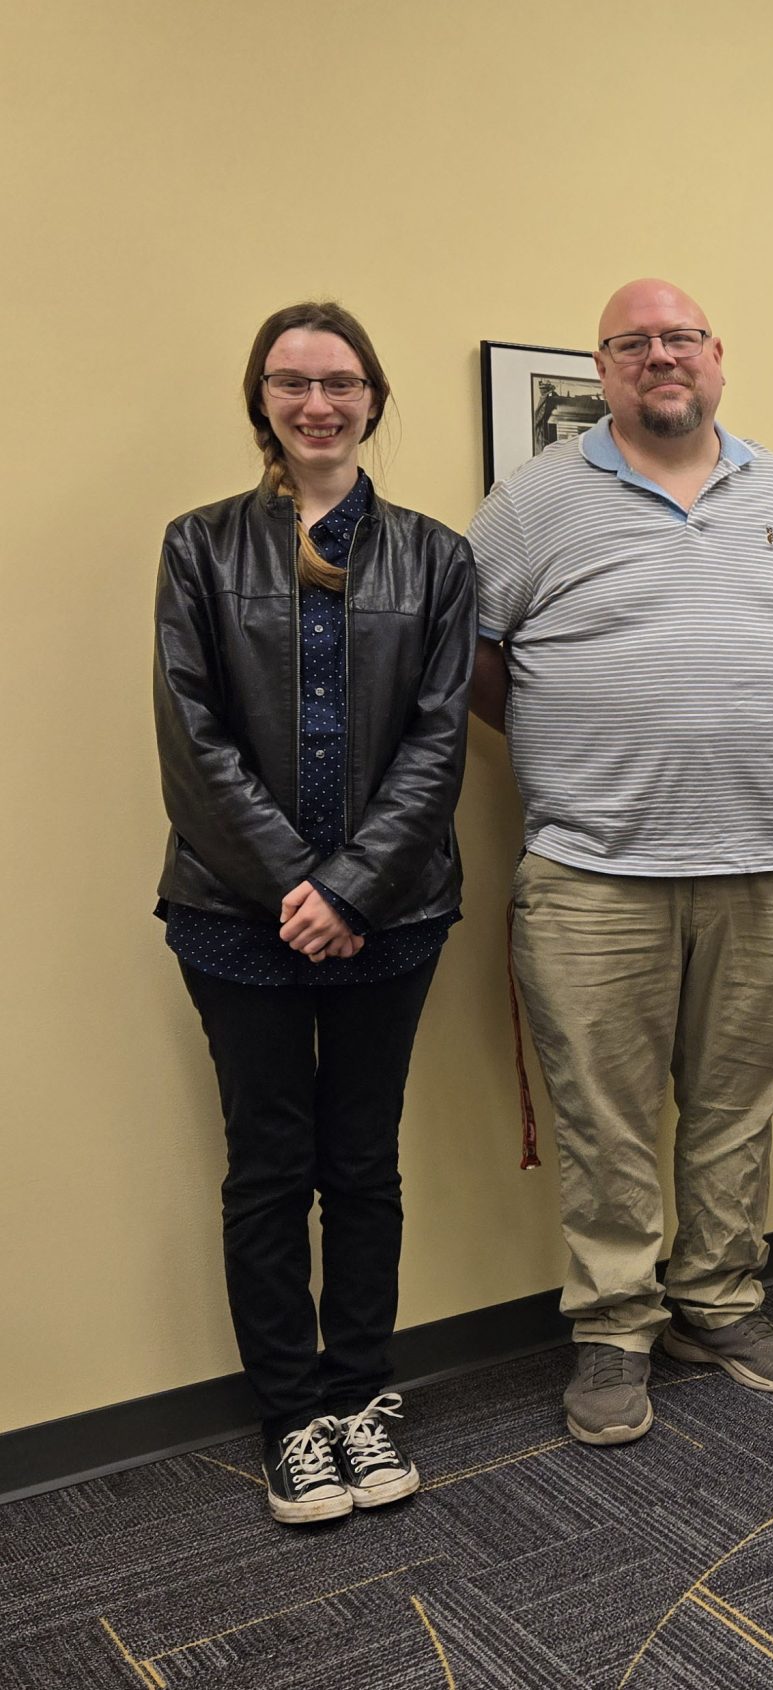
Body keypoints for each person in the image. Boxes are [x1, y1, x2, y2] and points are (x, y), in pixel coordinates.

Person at [468, 278, 773, 1446]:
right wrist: (578, 734)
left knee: (740, 1106)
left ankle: (719, 1299)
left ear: (717, 356)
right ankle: (613, 1327)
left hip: (760, 865)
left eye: (679, 337)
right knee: (605, 1119)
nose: (660, 357)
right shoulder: (532, 500)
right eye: (633, 343)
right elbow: (476, 664)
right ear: (602, 370)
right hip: (593, 874)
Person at [154, 301, 475, 1523]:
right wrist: (298, 881)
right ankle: (291, 1415)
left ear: (373, 399)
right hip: (237, 915)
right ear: (262, 402)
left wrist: (349, 888)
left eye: (339, 382)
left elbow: (440, 741)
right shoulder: (198, 548)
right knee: (268, 1166)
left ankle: (361, 1398)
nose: (316, 404)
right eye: (291, 383)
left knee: (365, 1163)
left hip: (390, 918)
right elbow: (191, 734)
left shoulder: (439, 559)